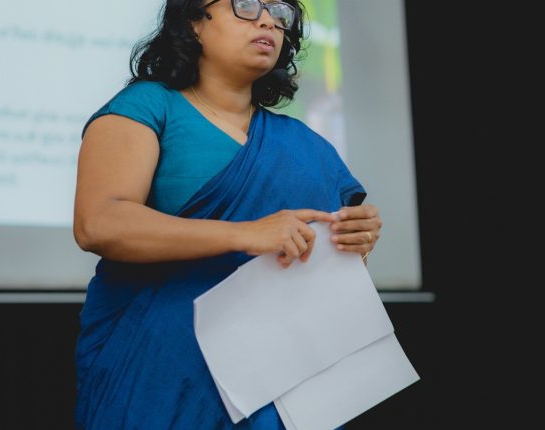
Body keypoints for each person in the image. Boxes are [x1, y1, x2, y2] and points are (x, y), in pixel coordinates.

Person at [72, 0, 383, 428]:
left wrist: (356, 245)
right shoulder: (147, 106)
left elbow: (327, 281)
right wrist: (244, 233)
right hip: (161, 373)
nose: (268, 20)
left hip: (278, 384)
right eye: (246, 5)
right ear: (194, 22)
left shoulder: (308, 146)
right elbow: (99, 223)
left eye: (279, 11)